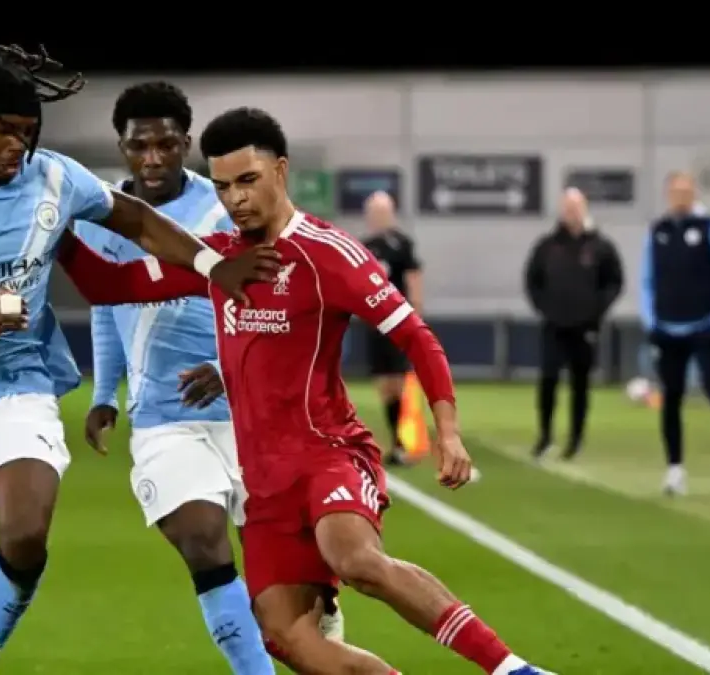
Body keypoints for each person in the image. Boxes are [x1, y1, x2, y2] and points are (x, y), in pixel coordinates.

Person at [58, 107, 554, 675]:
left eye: (247, 180)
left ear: (281, 170)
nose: (235, 199)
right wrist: (54, 224)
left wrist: (448, 433)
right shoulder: (219, 259)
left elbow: (416, 337)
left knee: (355, 559)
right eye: (222, 186)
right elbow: (108, 285)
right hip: (263, 482)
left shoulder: (329, 253)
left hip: (327, 452)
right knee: (285, 636)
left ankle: (511, 668)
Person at [0, 47, 273, 675]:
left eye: (28, 134)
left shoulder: (53, 178)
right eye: (7, 131)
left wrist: (214, 267)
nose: (19, 148)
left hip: (21, 385)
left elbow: (137, 221)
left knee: (26, 532)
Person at [75, 81, 340, 675]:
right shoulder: (102, 218)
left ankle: (322, 631)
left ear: (185, 144)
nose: (152, 158)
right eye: (139, 146)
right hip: (163, 416)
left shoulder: (224, 208)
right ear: (122, 148)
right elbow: (106, 307)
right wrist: (104, 393)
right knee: (201, 539)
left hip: (252, 415)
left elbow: (279, 301)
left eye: (166, 145)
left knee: (290, 593)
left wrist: (227, 368)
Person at [641, 171, 710, 495]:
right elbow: (647, 280)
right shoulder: (657, 231)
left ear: (694, 193)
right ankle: (674, 470)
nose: (680, 197)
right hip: (667, 327)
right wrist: (651, 321)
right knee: (671, 399)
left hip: (703, 326)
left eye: (685, 191)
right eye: (675, 192)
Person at [523, 188, 623, 460]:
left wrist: (596, 310)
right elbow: (532, 280)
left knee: (580, 384)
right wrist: (545, 307)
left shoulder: (599, 246)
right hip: (554, 325)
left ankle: (575, 439)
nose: (572, 213)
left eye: (576, 207)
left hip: (585, 327)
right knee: (548, 379)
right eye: (567, 208)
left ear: (584, 209)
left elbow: (614, 282)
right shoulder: (547, 246)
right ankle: (545, 436)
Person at [359, 191, 423, 466]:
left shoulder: (402, 244)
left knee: (399, 381)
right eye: (374, 212)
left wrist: (415, 314)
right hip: (375, 323)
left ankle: (402, 441)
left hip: (397, 320)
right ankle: (396, 440)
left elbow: (414, 277)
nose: (378, 217)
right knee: (383, 383)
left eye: (382, 212)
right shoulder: (364, 247)